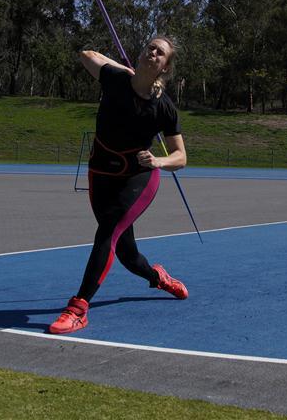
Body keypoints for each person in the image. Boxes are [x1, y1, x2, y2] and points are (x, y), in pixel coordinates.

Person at [48, 36, 189, 334]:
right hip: (100, 173)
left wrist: (159, 162)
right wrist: (124, 70)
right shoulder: (115, 78)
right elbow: (86, 54)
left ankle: (78, 308)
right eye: (149, 47)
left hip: (138, 177)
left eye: (159, 53)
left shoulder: (163, 107)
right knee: (126, 254)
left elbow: (181, 157)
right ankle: (157, 277)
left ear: (165, 67)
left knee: (107, 233)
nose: (152, 52)